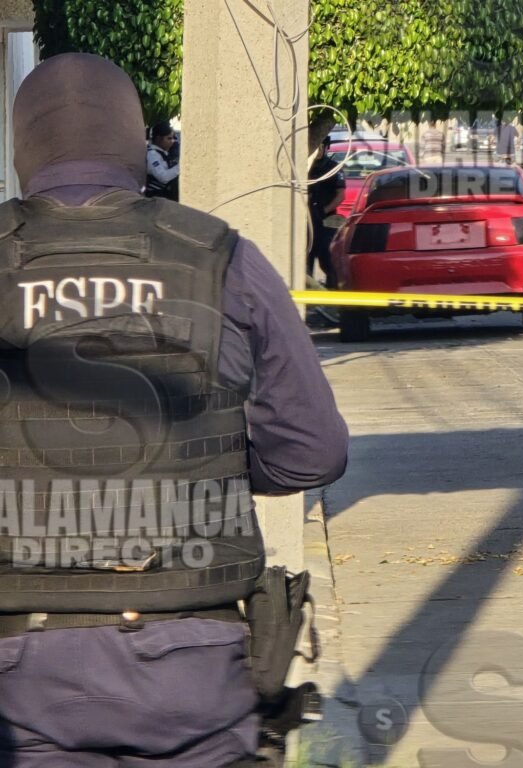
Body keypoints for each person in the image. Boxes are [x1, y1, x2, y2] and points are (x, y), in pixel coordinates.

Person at [0, 52, 349, 766]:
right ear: (136, 141)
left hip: (20, 669)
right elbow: (314, 451)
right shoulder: (223, 259)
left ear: (21, 150)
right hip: (195, 664)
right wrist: (208, 467)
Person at [307, 134, 346, 285]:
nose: (317, 151)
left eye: (320, 147)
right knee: (306, 261)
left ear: (326, 148)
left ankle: (333, 290)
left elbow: (340, 195)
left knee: (328, 260)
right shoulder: (306, 166)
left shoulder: (333, 167)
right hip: (308, 221)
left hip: (326, 221)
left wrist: (324, 210)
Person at [145, 119, 180, 201]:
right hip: (156, 198)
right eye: (169, 138)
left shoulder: (163, 153)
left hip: (166, 196)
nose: (172, 141)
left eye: (173, 138)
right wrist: (182, 166)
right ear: (158, 139)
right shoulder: (152, 155)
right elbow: (163, 177)